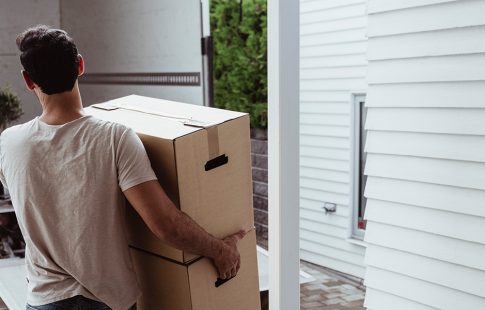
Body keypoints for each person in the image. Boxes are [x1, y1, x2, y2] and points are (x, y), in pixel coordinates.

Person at [0, 25, 245, 310]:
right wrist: (222, 251)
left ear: (28, 80)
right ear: (80, 65)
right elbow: (165, 225)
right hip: (103, 302)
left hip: (42, 302)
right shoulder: (114, 137)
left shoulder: (9, 142)